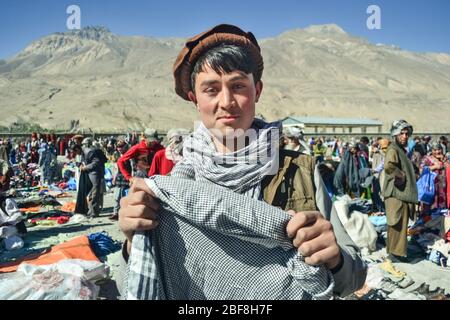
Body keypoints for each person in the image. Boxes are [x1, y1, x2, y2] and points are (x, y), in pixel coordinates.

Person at [117, 24, 366, 299]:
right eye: (211, 90)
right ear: (194, 99)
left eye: (238, 86)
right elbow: (129, 285)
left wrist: (335, 259)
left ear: (257, 90)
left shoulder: (299, 172)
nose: (226, 102)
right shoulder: (174, 189)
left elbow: (353, 279)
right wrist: (133, 243)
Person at [383, 120, 418, 262]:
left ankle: (397, 253)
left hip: (400, 194)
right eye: (401, 133)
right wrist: (401, 175)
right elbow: (389, 166)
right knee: (396, 223)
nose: (404, 136)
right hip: (395, 193)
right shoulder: (393, 149)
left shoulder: (400, 150)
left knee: (400, 224)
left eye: (406, 134)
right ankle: (394, 254)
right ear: (395, 135)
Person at [79, 138, 108, 218]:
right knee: (93, 193)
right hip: (89, 174)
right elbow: (83, 161)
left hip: (96, 174)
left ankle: (94, 211)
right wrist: (81, 165)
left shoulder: (95, 151)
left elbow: (97, 162)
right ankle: (92, 210)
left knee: (95, 193)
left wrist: (86, 167)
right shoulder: (86, 151)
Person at [419, 143, 448, 212]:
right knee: (430, 209)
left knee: (442, 210)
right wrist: (434, 167)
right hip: (430, 187)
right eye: (435, 150)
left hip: (442, 189)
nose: (437, 152)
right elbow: (421, 170)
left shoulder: (444, 158)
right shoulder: (427, 158)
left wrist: (444, 160)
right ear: (431, 150)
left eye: (439, 149)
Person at [110, 140, 130, 221]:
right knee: (117, 196)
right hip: (119, 177)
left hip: (127, 177)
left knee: (125, 196)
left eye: (121, 147)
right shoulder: (117, 155)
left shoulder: (129, 155)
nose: (119, 149)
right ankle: (115, 213)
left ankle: (124, 213)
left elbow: (132, 168)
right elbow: (116, 168)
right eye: (118, 147)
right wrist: (114, 178)